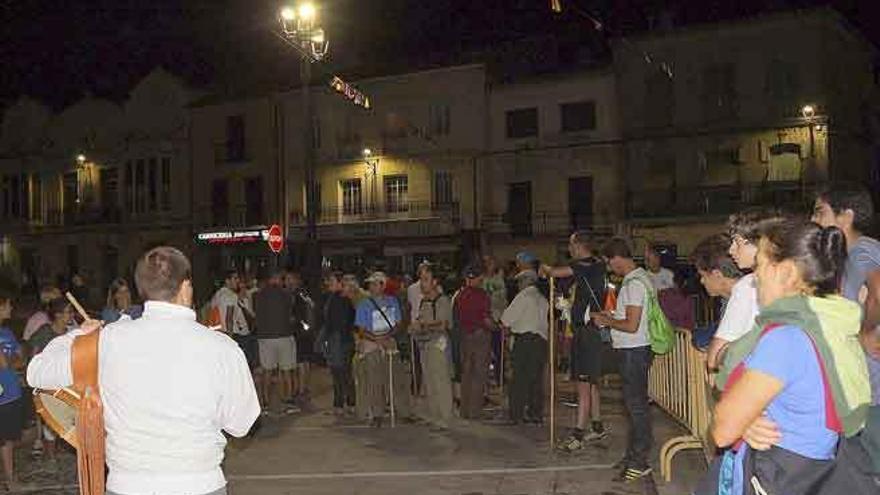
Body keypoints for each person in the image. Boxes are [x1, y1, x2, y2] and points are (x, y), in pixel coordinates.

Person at [28, 246, 260, 495]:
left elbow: (37, 372)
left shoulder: (107, 340)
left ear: (142, 290)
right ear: (185, 288)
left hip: (127, 485)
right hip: (199, 483)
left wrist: (80, 335)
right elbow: (241, 424)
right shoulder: (222, 347)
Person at [701, 221, 872, 494]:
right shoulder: (833, 323)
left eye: (760, 265)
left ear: (787, 272)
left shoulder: (785, 338)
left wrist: (742, 419)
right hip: (818, 465)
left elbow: (723, 430)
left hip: (782, 473)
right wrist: (748, 419)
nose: (755, 277)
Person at [592, 238, 654, 483]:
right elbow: (628, 317)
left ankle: (639, 462)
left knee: (637, 409)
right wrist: (611, 315)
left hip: (633, 351)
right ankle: (632, 456)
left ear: (617, 258)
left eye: (609, 263)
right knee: (632, 408)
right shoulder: (635, 280)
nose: (609, 268)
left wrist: (606, 321)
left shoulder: (635, 284)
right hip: (633, 350)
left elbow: (631, 325)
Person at [812, 182, 880, 403]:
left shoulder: (862, 249)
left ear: (846, 216)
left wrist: (866, 332)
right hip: (863, 386)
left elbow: (878, 292)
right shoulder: (846, 258)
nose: (814, 220)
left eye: (820, 212)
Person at [541, 232, 608, 451]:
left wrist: (544, 268)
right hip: (587, 329)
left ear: (580, 246)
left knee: (583, 384)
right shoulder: (595, 267)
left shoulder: (588, 265)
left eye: (571, 245)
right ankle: (597, 425)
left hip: (587, 332)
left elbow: (555, 272)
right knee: (591, 382)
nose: (569, 249)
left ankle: (577, 434)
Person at [354, 271, 411, 426]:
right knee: (374, 380)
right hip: (372, 342)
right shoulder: (364, 304)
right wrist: (376, 339)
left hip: (389, 340)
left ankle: (403, 410)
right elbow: (360, 328)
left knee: (396, 377)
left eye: (375, 283)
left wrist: (387, 336)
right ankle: (377, 413)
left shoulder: (392, 301)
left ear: (382, 285)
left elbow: (398, 323)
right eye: (370, 284)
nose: (371, 287)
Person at [689, 233, 749, 370]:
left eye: (703, 276)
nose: (702, 281)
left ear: (717, 275)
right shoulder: (728, 300)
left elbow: (714, 357)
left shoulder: (746, 295)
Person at [28, 297, 74, 468]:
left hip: (65, 381)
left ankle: (58, 449)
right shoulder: (45, 332)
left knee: (63, 418)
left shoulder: (70, 333)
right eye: (69, 311)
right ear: (58, 315)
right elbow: (33, 356)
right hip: (48, 383)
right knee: (49, 420)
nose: (72, 315)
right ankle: (50, 454)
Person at [501, 269, 549, 425]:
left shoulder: (523, 297)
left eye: (520, 282)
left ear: (525, 282)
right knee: (536, 379)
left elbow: (506, 319)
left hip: (525, 341)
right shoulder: (542, 299)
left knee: (519, 379)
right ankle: (535, 414)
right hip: (541, 341)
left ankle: (517, 414)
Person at [412, 266, 454, 428]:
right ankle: (434, 415)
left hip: (438, 345)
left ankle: (445, 417)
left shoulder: (442, 300)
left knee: (440, 381)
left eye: (426, 280)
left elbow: (442, 324)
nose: (422, 284)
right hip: (425, 345)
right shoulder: (424, 302)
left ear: (435, 282)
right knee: (429, 381)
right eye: (421, 280)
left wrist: (422, 325)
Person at [253, 270, 299, 415]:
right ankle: (289, 402)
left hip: (265, 337)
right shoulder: (286, 294)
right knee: (286, 370)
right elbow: (291, 313)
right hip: (284, 336)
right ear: (278, 279)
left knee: (267, 371)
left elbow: (256, 314)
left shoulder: (257, 295)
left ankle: (265, 404)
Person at [454, 265, 494, 419]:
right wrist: (497, 327)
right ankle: (475, 411)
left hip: (465, 337)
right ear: (477, 278)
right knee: (479, 374)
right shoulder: (482, 295)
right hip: (480, 336)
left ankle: (464, 410)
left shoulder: (460, 295)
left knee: (466, 374)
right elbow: (486, 319)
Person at [0, 291, 28, 492]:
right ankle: (10, 481)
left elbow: (21, 358)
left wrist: (12, 362)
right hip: (1, 395)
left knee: (9, 439)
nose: (11, 308)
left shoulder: (7, 332)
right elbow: (4, 363)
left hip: (13, 392)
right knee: (5, 440)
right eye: (8, 305)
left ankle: (10, 477)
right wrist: (11, 362)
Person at [320, 272, 356, 416]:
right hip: (339, 339)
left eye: (332, 281)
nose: (329, 283)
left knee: (342, 372)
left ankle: (344, 403)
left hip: (341, 340)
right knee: (340, 372)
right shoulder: (334, 298)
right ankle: (344, 402)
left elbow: (341, 322)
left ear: (340, 283)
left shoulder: (342, 299)